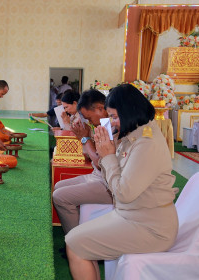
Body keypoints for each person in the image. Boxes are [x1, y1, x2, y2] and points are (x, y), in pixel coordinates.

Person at [66, 84, 178, 280]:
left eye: (115, 117)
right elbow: (115, 182)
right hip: (132, 214)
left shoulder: (146, 143)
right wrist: (106, 153)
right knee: (76, 240)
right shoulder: (135, 134)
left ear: (130, 111)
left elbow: (123, 193)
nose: (112, 122)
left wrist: (107, 156)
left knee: (75, 245)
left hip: (151, 227)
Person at [53, 89, 113, 235]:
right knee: (58, 186)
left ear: (100, 108)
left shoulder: (109, 125)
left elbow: (102, 162)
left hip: (108, 181)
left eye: (89, 117)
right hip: (97, 174)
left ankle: (76, 242)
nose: (90, 121)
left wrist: (85, 139)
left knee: (59, 196)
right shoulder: (102, 123)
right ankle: (79, 230)